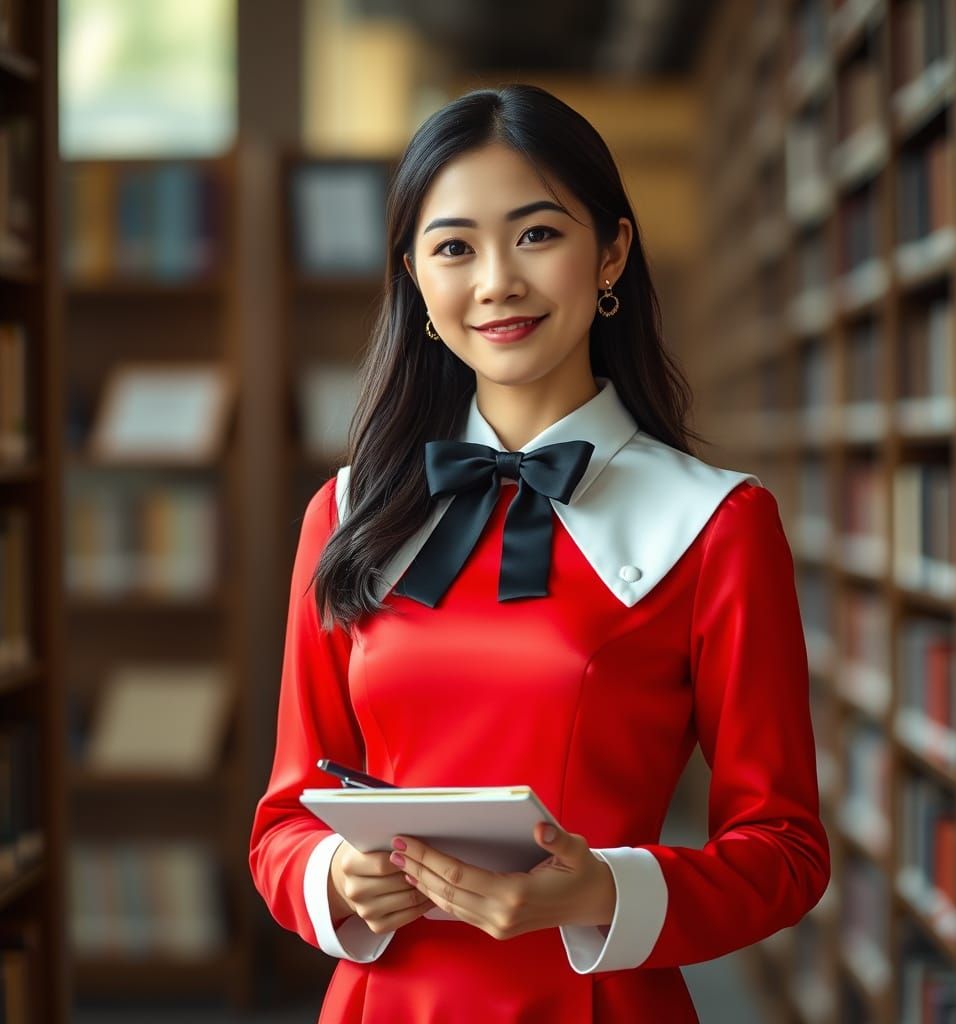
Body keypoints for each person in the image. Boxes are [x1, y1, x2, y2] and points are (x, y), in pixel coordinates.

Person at [249, 82, 830, 1022]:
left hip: (596, 1001)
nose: (495, 283)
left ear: (612, 250)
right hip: (386, 1002)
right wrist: (334, 877)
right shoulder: (349, 510)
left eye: (536, 235)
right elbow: (282, 823)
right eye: (453, 248)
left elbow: (786, 851)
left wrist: (601, 891)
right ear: (414, 279)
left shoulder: (719, 523)